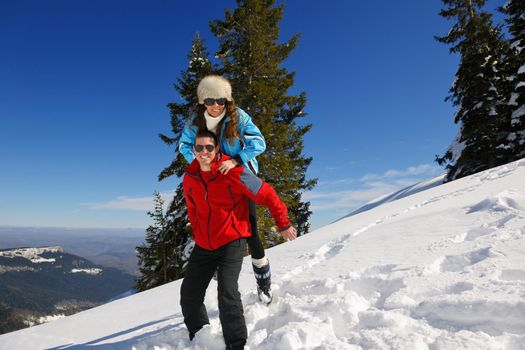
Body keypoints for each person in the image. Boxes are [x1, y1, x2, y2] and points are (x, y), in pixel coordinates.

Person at [180, 130, 297, 349]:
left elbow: (267, 194)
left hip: (231, 241)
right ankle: (200, 338)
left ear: (216, 150)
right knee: (189, 294)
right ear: (193, 151)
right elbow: (193, 208)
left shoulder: (233, 173)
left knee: (227, 292)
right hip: (204, 245)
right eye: (199, 148)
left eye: (209, 148)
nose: (204, 152)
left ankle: (236, 345)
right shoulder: (190, 177)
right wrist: (198, 232)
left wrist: (283, 223)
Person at [178, 75, 274, 303]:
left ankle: (263, 281)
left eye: (220, 100)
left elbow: (259, 142)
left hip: (239, 177)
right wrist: (203, 161)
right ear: (203, 101)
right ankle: (213, 266)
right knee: (209, 220)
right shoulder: (195, 119)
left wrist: (236, 160)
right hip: (212, 179)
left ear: (227, 100)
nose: (215, 105)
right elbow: (184, 145)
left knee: (251, 230)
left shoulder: (237, 116)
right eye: (210, 100)